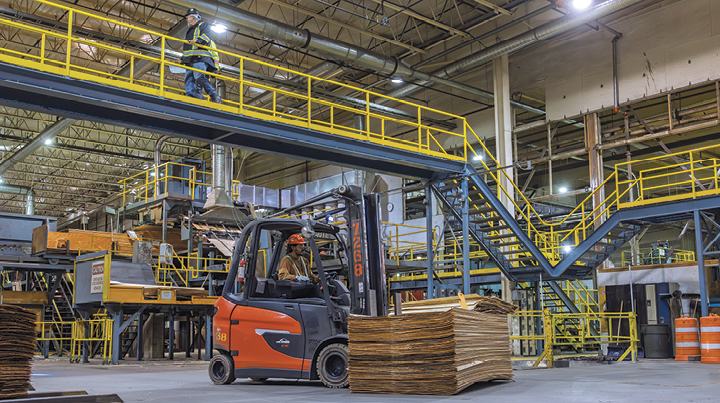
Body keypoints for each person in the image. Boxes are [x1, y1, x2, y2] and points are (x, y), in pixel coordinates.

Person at [180, 8, 221, 103]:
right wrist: (182, 58)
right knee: (189, 78)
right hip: (190, 60)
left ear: (193, 17)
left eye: (188, 17)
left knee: (199, 77)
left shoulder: (204, 25)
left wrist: (197, 41)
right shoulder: (190, 31)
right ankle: (190, 97)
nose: (186, 20)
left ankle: (213, 95)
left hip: (200, 58)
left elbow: (207, 36)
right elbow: (188, 48)